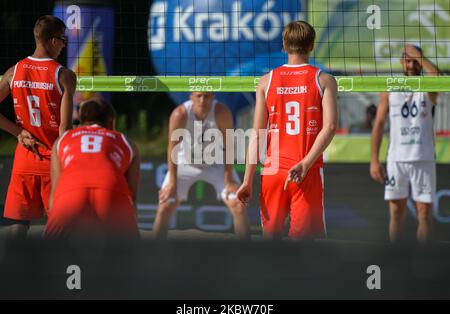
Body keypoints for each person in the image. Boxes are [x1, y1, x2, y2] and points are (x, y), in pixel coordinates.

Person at [236, 20, 338, 240]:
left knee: (271, 245)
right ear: (311, 46)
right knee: (305, 249)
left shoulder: (265, 81)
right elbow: (329, 127)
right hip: (305, 170)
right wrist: (306, 163)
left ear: (284, 45)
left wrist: (246, 180)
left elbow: (257, 134)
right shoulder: (325, 80)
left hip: (272, 172)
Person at [0, 15, 77, 238]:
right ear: (53, 41)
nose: (64, 45)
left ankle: (12, 271)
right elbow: (64, 129)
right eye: (63, 40)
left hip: (24, 158)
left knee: (18, 225)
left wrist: (19, 132)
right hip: (53, 161)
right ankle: (50, 273)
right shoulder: (64, 75)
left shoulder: (14, 71)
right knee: (58, 229)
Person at [151, 92, 250, 240]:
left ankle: (246, 252)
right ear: (191, 97)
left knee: (238, 204)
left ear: (213, 96)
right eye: (198, 96)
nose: (202, 100)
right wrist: (172, 181)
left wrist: (228, 179)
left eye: (206, 96)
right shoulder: (180, 114)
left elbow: (229, 146)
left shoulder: (222, 112)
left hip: (216, 163)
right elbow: (172, 148)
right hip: (186, 162)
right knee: (165, 204)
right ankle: (153, 252)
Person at [370, 44, 440, 243]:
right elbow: (379, 124)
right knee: (396, 212)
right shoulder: (390, 87)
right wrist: (374, 160)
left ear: (420, 62)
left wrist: (418, 54)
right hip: (397, 158)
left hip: (423, 157)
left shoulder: (429, 87)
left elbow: (435, 74)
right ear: (401, 62)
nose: (411, 64)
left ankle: (424, 261)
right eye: (407, 60)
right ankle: (396, 260)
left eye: (415, 61)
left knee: (424, 214)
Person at [45, 98, 140, 239]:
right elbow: (131, 195)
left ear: (81, 121)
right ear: (111, 121)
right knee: (132, 255)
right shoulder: (126, 141)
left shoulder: (62, 140)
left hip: (70, 192)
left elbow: (54, 196)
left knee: (47, 254)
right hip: (110, 189)